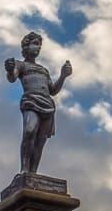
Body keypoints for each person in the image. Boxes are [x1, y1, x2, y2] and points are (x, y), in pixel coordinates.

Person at [4, 32, 72, 174]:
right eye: (35, 44)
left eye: (39, 45)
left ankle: (33, 173)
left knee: (40, 142)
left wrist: (63, 76)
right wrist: (10, 70)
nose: (38, 48)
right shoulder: (20, 64)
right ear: (26, 46)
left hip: (47, 104)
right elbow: (12, 77)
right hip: (31, 101)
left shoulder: (43, 70)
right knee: (29, 131)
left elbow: (52, 90)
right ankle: (24, 169)